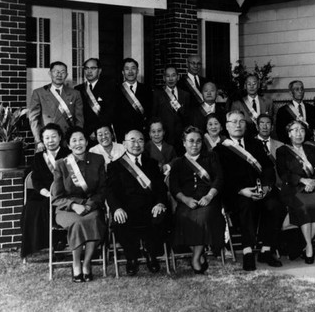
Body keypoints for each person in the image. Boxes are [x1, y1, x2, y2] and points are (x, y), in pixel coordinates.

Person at [214, 110, 285, 271]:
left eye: (241, 121)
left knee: (276, 205)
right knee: (245, 206)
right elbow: (221, 178)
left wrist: (266, 187)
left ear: (246, 125)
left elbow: (268, 168)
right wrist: (241, 190)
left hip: (261, 189)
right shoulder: (219, 150)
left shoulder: (256, 144)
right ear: (226, 126)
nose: (238, 125)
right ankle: (247, 252)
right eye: (234, 122)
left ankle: (266, 250)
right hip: (237, 193)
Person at [106, 130, 168, 275]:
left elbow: (161, 188)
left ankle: (151, 254)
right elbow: (110, 192)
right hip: (127, 209)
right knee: (119, 222)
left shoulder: (152, 163)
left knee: (161, 218)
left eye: (140, 140)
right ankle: (131, 257)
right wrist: (117, 208)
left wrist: (160, 203)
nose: (136, 144)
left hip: (150, 208)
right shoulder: (115, 166)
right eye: (132, 140)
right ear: (124, 144)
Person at [51, 127, 107, 283]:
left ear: (87, 142)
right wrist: (74, 206)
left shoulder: (98, 160)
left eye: (81, 139)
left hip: (92, 205)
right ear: (68, 145)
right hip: (67, 208)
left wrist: (89, 206)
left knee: (94, 220)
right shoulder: (61, 164)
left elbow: (103, 189)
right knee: (78, 222)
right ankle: (76, 263)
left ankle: (86, 264)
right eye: (74, 141)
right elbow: (56, 198)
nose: (78, 143)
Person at [169, 126, 224, 274]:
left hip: (208, 200)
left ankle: (195, 258)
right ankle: (200, 254)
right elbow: (174, 186)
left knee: (204, 217)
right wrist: (185, 200)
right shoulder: (178, 163)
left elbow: (219, 179)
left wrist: (209, 196)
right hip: (186, 201)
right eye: (191, 141)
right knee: (182, 217)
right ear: (184, 143)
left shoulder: (211, 157)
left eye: (198, 141)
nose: (195, 144)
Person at [276, 120, 315, 264]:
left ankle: (302, 245)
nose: (299, 133)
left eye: (302, 130)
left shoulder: (312, 149)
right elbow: (283, 174)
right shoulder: (282, 151)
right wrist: (302, 180)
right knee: (304, 207)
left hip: (313, 187)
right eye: (295, 130)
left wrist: (313, 182)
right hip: (294, 188)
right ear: (289, 133)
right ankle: (309, 246)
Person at [21, 123, 70, 260]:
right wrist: (46, 193)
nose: (50, 140)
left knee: (54, 206)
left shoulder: (68, 154)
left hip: (64, 193)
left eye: (53, 137)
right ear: (42, 140)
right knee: (31, 207)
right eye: (47, 138)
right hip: (44, 193)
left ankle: (59, 241)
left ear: (60, 137)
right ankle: (42, 245)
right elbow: (35, 180)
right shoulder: (38, 157)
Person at [29, 61, 84, 152]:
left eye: (63, 72)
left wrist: (76, 139)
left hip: (68, 140)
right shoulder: (39, 93)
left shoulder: (75, 94)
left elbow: (79, 119)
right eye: (56, 71)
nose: (59, 75)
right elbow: (33, 119)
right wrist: (38, 141)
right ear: (50, 73)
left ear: (66, 75)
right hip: (47, 140)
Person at [152, 65, 191, 153]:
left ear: (178, 77)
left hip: (181, 139)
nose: (170, 79)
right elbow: (154, 116)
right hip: (164, 138)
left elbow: (187, 118)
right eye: (168, 76)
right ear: (164, 78)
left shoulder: (185, 95)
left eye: (173, 75)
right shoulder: (157, 95)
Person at [75, 58, 116, 142]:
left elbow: (110, 113)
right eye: (86, 68)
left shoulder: (110, 88)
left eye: (93, 68)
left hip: (103, 133)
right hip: (84, 134)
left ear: (99, 70)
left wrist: (96, 131)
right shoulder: (78, 89)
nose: (89, 71)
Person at [113, 58, 153, 142]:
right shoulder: (115, 90)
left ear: (137, 71)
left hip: (142, 134)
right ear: (123, 72)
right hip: (123, 135)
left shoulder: (147, 90)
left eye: (133, 68)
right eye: (127, 69)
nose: (130, 71)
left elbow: (150, 113)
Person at [230, 74, 273, 138]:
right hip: (245, 138)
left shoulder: (268, 102)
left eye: (254, 84)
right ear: (245, 86)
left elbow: (271, 122)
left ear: (258, 85)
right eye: (249, 84)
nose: (251, 86)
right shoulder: (237, 104)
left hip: (263, 137)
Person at [144, 118, 177, 183]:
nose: (156, 134)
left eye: (159, 131)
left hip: (169, 179)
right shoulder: (145, 148)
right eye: (153, 132)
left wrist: (168, 165)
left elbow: (175, 160)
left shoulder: (170, 148)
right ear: (149, 134)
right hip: (152, 180)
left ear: (164, 132)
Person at [255, 114, 283, 187]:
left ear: (272, 127)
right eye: (261, 123)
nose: (265, 127)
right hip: (257, 185)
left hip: (277, 185)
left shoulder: (281, 145)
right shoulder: (249, 144)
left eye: (268, 123)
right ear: (257, 127)